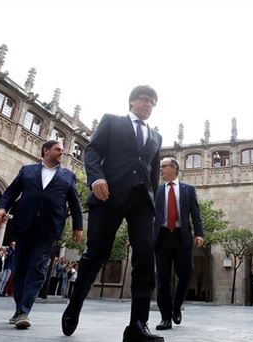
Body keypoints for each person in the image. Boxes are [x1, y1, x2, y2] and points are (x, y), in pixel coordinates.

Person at [61, 85, 164, 342]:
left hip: (141, 202)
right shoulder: (112, 121)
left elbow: (153, 172)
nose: (147, 105)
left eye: (152, 102)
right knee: (96, 253)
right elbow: (92, 151)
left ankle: (137, 325)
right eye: (143, 99)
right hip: (108, 195)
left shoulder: (156, 136)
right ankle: (74, 305)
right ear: (131, 101)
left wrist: (153, 200)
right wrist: (95, 178)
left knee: (144, 258)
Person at [0, 140, 83, 330]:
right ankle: (20, 309)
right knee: (20, 268)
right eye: (58, 149)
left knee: (37, 267)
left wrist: (78, 226)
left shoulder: (68, 176)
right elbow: (11, 192)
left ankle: (24, 310)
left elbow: (75, 204)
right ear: (46, 151)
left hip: (49, 229)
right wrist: (1, 208)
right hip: (24, 225)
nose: (62, 153)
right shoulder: (27, 170)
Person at [153, 157, 203, 331]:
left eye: (163, 166)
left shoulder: (188, 190)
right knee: (163, 280)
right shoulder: (157, 191)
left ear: (174, 168)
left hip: (182, 238)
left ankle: (176, 306)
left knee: (186, 274)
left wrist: (199, 234)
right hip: (162, 238)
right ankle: (165, 317)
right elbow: (151, 215)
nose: (160, 169)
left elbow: (196, 214)